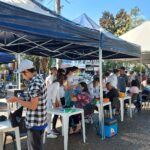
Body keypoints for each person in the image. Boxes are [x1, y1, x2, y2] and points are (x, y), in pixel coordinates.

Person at [7, 59, 47, 150]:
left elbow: (33, 106)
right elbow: (34, 98)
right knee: (38, 146)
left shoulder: (34, 84)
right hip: (40, 120)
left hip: (34, 122)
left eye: (22, 73)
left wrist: (17, 99)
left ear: (27, 72)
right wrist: (20, 99)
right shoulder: (39, 79)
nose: (22, 76)